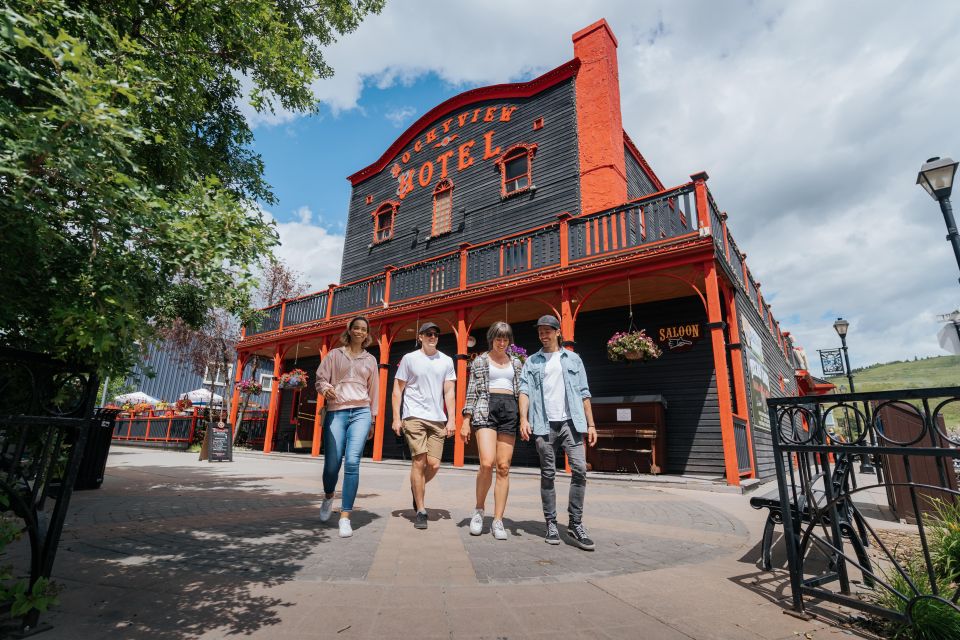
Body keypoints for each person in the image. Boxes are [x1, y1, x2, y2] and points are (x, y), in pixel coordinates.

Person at [519, 314, 598, 550]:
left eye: (547, 331)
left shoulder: (574, 359)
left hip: (570, 423)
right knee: (548, 474)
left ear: (557, 332)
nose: (543, 335)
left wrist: (591, 424)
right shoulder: (531, 362)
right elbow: (524, 391)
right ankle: (551, 523)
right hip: (543, 425)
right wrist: (524, 419)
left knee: (580, 470)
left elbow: (584, 393)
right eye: (540, 332)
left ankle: (575, 522)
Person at [315, 316, 379, 538]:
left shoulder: (370, 360)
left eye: (364, 329)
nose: (360, 332)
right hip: (336, 412)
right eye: (357, 328)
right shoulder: (334, 355)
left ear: (367, 334)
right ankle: (328, 496)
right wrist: (325, 389)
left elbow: (374, 391)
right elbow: (320, 379)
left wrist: (372, 419)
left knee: (352, 461)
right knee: (332, 464)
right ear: (350, 330)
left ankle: (345, 516)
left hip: (361, 411)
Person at [460, 321, 523, 540]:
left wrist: (524, 418)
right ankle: (478, 510)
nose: (502, 342)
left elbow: (522, 392)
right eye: (498, 338)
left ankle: (498, 520)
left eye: (506, 339)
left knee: (504, 467)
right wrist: (465, 420)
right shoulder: (480, 361)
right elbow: (471, 392)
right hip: (485, 409)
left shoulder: (516, 363)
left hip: (509, 410)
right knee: (487, 462)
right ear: (492, 339)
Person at [392, 322, 456, 530]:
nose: (433, 337)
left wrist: (452, 419)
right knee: (419, 462)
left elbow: (449, 392)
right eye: (428, 333)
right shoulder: (410, 359)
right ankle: (421, 510)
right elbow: (397, 391)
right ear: (420, 336)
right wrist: (396, 417)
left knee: (434, 464)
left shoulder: (446, 361)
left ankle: (415, 487)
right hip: (414, 416)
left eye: (436, 334)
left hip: (437, 418)